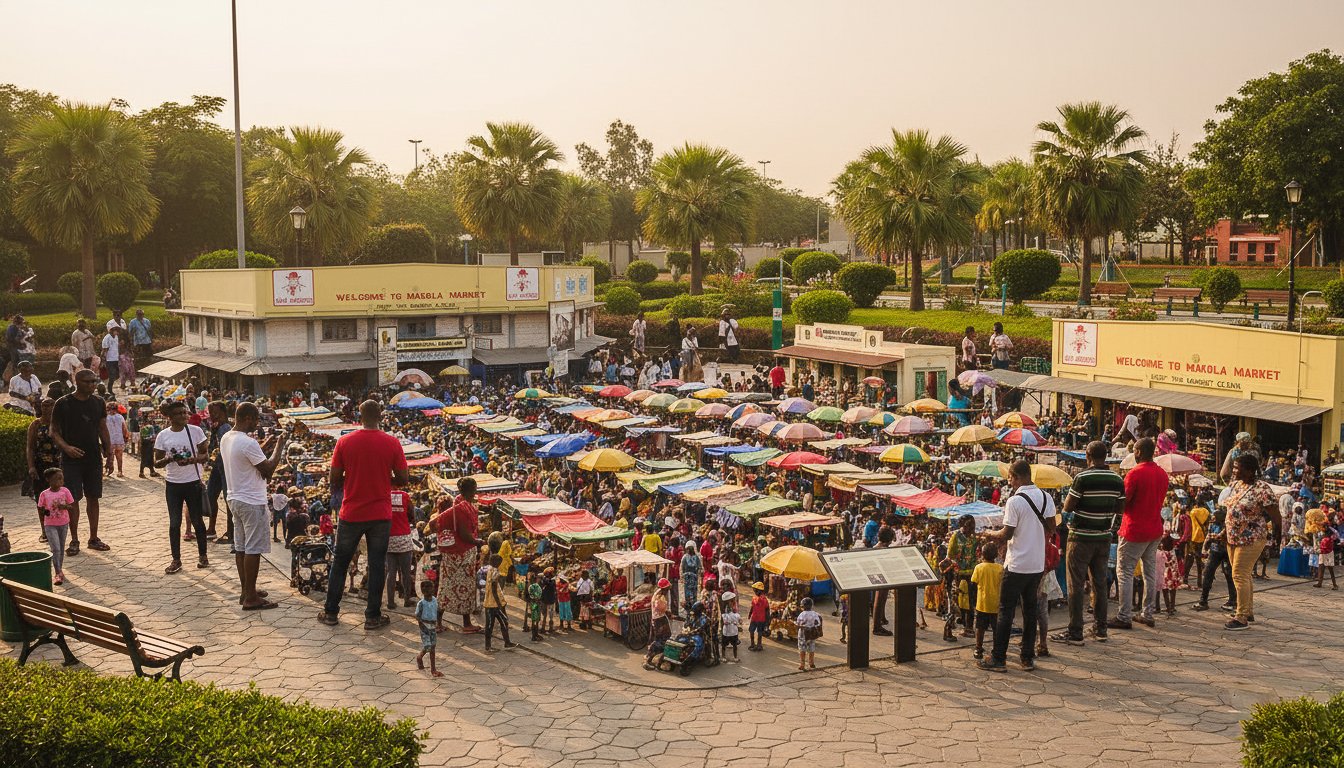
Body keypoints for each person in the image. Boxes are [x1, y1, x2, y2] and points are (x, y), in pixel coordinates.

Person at [319, 400, 408, 630]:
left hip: (351, 513)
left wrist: (353, 476)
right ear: (381, 416)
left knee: (340, 562)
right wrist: (383, 477)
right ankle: (372, 617)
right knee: (377, 565)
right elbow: (403, 479)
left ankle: (330, 613)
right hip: (380, 514)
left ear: (359, 416)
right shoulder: (392, 443)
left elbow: (334, 478)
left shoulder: (344, 442)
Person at [978, 459, 1055, 673]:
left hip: (1017, 564)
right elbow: (1052, 527)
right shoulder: (1046, 497)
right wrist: (1035, 536)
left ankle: (998, 658)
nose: (1009, 483)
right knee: (1030, 611)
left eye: (1010, 478)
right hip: (1036, 564)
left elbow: (1006, 534)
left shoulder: (1014, 501)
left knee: (1006, 611)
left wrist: (988, 533)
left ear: (1017, 477)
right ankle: (1027, 658)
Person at [1052, 440, 1124, 647]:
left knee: (1075, 584)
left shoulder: (1082, 478)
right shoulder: (1117, 479)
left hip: (1080, 537)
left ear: (1087, 456)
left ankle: (1075, 631)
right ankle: (1101, 629)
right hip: (1103, 537)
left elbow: (1068, 507)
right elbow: (1120, 509)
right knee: (1099, 583)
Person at [220, 402, 288, 610]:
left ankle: (246, 590)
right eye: (256, 419)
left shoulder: (227, 437)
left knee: (241, 547)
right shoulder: (248, 442)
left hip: (235, 498)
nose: (257, 423)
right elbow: (268, 469)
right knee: (253, 549)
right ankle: (251, 598)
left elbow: (250, 460)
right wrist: (280, 445)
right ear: (247, 418)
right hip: (251, 501)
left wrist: (268, 443)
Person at [50, 369, 114, 555]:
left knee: (93, 497)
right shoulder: (63, 403)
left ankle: (93, 538)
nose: (92, 385)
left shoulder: (98, 402)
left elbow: (102, 428)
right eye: (88, 382)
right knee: (73, 499)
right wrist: (66, 448)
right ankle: (74, 539)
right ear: (77, 382)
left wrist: (109, 452)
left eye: (94, 381)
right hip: (71, 459)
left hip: (93, 457)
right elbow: (54, 431)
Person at [1110, 438, 1168, 630]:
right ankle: (1147, 613)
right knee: (1149, 572)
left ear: (1139, 452)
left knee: (1125, 572)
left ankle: (1124, 615)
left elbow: (1123, 502)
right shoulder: (1161, 473)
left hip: (1134, 529)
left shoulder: (1135, 473)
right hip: (1154, 528)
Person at [1221, 453, 1281, 631]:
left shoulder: (1262, 489)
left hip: (1252, 538)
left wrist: (1278, 536)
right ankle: (1248, 611)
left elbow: (1275, 515)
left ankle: (1241, 617)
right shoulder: (1236, 485)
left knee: (1239, 574)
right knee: (1244, 574)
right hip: (1233, 537)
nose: (1234, 470)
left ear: (1249, 470)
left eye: (1237, 467)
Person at [153, 400, 210, 574]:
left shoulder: (196, 431)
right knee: (174, 523)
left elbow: (205, 455)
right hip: (173, 484)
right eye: (179, 413)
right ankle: (176, 559)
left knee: (197, 521)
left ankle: (203, 555)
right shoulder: (163, 436)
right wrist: (170, 459)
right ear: (170, 417)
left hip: (193, 482)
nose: (184, 416)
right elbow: (156, 463)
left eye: (185, 412)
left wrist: (192, 460)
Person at [429, 475, 485, 633]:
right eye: (474, 489)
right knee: (463, 589)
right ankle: (465, 624)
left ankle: (440, 622)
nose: (475, 492)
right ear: (470, 490)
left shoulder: (459, 504)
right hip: (462, 555)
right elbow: (464, 534)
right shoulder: (461, 508)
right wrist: (477, 541)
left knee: (446, 588)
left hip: (452, 555)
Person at [37, 467, 74, 586]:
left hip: (63, 523)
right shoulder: (44, 494)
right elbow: (40, 508)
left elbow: (71, 506)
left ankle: (60, 569)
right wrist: (45, 514)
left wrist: (64, 507)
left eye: (61, 478)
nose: (60, 481)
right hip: (50, 525)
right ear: (48, 480)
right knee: (56, 549)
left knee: (61, 548)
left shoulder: (65, 491)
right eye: (57, 479)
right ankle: (57, 573)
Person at [204, 401, 233, 543]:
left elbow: (225, 449)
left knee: (228, 499)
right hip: (217, 466)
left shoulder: (225, 428)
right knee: (210, 496)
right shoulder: (217, 427)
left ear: (222, 412)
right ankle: (211, 528)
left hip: (224, 466)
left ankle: (230, 533)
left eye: (214, 412)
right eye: (210, 412)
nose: (211, 415)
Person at [970, 541, 1002, 661]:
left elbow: (973, 584)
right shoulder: (1000, 568)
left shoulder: (979, 567)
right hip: (996, 605)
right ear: (996, 555)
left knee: (980, 627)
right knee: (996, 629)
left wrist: (972, 602)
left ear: (982, 554)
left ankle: (978, 648)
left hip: (982, 604)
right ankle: (996, 649)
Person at [386, 487, 417, 609]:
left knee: (391, 572)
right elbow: (411, 515)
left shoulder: (385, 494)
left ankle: (390, 602)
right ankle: (406, 600)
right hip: (403, 537)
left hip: (389, 538)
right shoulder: (405, 496)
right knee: (405, 572)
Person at [482, 554, 516, 652]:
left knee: (492, 625)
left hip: (489, 602)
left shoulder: (489, 569)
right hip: (494, 604)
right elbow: (494, 589)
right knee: (498, 623)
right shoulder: (495, 572)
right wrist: (499, 604)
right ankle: (498, 644)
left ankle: (504, 643)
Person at [414, 580, 443, 677]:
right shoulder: (421, 603)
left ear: (433, 589)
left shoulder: (435, 600)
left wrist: (439, 624)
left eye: (429, 587)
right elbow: (417, 616)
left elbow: (438, 612)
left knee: (432, 647)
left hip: (433, 627)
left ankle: (433, 669)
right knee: (428, 646)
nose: (426, 589)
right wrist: (422, 626)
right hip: (424, 627)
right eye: (424, 587)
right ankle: (419, 657)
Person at [643, 578, 672, 669]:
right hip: (659, 620)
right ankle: (649, 660)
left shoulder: (658, 593)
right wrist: (667, 612)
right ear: (664, 589)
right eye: (667, 589)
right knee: (661, 641)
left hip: (658, 619)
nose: (668, 591)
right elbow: (660, 608)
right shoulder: (659, 597)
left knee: (662, 639)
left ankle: (658, 659)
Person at [795, 596, 822, 671]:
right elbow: (818, 623)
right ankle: (811, 663)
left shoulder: (802, 614)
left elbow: (798, 624)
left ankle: (802, 664)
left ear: (803, 606)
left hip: (803, 634)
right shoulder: (815, 614)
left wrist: (799, 626)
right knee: (811, 648)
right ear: (811, 605)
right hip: (812, 633)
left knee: (802, 649)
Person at [104, 400, 128, 477]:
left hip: (110, 440)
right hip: (119, 439)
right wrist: (126, 437)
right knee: (119, 456)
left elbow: (103, 429)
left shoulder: (106, 417)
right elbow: (124, 428)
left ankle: (109, 469)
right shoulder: (120, 417)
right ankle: (120, 471)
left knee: (110, 455)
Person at [720, 591, 741, 663]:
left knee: (734, 645)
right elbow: (724, 621)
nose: (733, 602)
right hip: (728, 631)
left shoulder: (733, 610)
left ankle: (734, 657)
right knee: (724, 645)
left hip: (732, 630)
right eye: (731, 600)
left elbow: (738, 618)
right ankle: (724, 657)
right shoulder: (724, 613)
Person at [100, 327, 123, 394]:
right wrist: (102, 360)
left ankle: (109, 383)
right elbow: (104, 350)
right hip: (109, 360)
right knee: (112, 375)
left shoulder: (116, 337)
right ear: (113, 330)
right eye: (117, 331)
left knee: (117, 375)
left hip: (116, 358)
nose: (118, 333)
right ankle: (110, 390)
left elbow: (116, 347)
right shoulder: (107, 338)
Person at [748, 581, 770, 651]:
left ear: (760, 591)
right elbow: (752, 607)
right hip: (755, 618)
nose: (755, 592)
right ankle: (753, 644)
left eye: (756, 590)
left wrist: (767, 621)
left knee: (759, 632)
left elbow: (767, 610)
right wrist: (750, 614)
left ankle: (758, 644)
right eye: (754, 590)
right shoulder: (754, 598)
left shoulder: (764, 600)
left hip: (760, 619)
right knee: (752, 631)